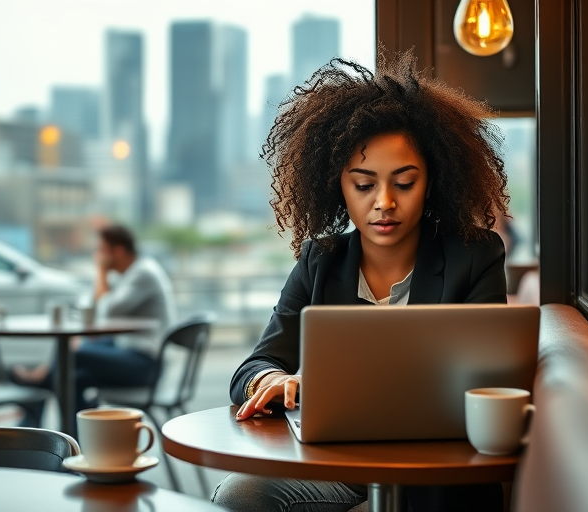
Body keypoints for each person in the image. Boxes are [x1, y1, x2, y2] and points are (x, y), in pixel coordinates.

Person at [213, 52, 509, 512]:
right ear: (339, 187)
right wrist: (274, 379)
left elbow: (488, 382)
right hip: (338, 469)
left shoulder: (475, 258)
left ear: (432, 183)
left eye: (404, 183)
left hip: (430, 473)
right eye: (364, 184)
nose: (384, 202)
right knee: (240, 495)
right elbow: (254, 366)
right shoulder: (321, 261)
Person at [11, 224, 176, 429]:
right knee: (72, 378)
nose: (98, 256)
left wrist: (100, 271)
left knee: (72, 353)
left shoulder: (144, 273)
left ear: (118, 251)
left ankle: (36, 399)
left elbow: (107, 311)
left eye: (101, 250)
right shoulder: (125, 275)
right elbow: (92, 308)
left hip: (146, 364)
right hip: (129, 353)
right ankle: (75, 443)